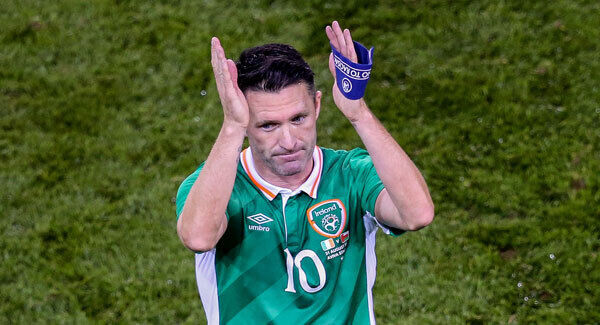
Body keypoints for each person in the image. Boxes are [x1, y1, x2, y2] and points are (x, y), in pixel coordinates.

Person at [176, 21, 434, 324]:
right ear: (246, 122)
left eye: (298, 118)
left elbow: (417, 214)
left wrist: (358, 112)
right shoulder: (216, 186)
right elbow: (198, 237)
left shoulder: (350, 174)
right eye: (268, 125)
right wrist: (232, 126)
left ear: (317, 105)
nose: (288, 142)